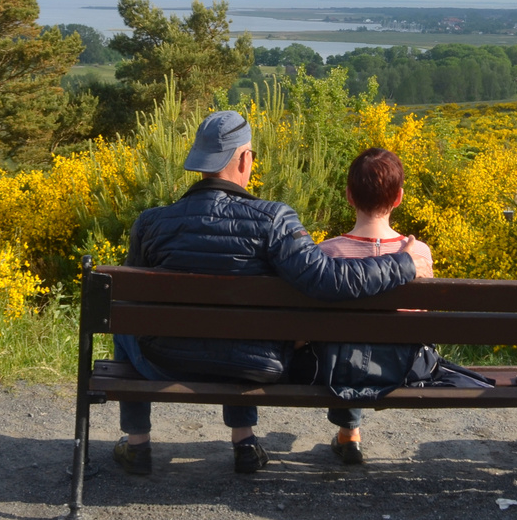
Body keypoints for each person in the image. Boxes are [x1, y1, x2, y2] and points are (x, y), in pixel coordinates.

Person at [113, 111, 420, 475]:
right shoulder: (273, 219)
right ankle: (243, 442)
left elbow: (134, 300)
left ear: (200, 163)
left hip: (166, 359)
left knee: (124, 319)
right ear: (246, 159)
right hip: (254, 363)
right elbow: (327, 280)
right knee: (236, 335)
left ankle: (137, 445)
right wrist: (403, 264)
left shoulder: (151, 222)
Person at [314, 147, 434, 464]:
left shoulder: (326, 253)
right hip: (405, 366)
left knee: (341, 342)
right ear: (398, 198)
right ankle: (348, 434)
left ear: (349, 196)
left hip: (343, 367)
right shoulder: (419, 253)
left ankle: (349, 434)